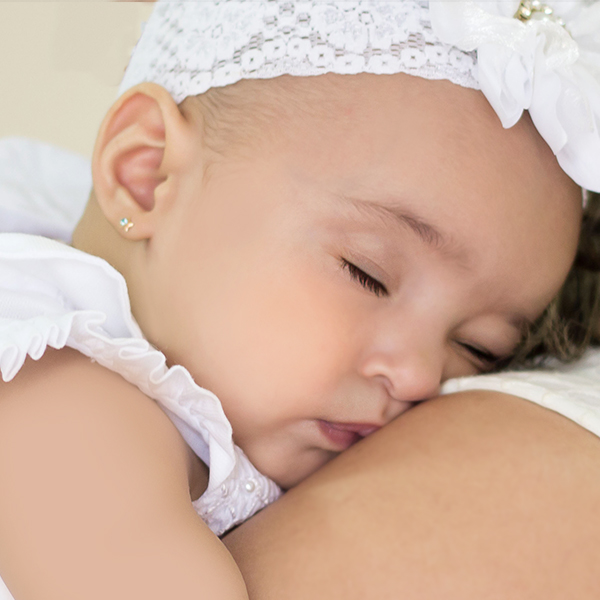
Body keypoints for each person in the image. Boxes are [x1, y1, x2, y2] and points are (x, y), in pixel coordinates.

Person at [0, 1, 599, 598]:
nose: (420, 377)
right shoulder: (52, 393)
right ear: (147, 174)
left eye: (479, 347)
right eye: (367, 274)